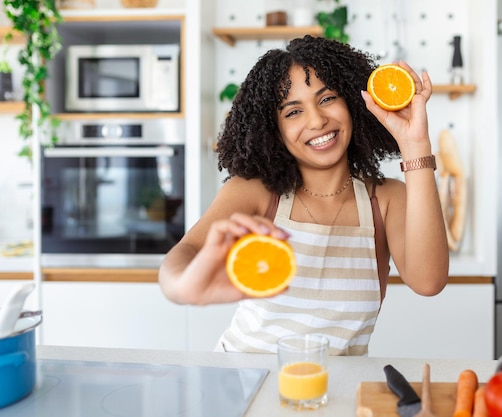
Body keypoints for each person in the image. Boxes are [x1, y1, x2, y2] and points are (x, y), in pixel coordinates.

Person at [158, 35, 449, 355]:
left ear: (352, 103)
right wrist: (185, 286)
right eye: (293, 112)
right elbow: (179, 260)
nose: (317, 120)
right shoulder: (256, 193)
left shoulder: (386, 200)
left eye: (326, 99)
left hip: (335, 395)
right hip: (244, 384)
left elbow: (428, 281)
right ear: (274, 129)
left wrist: (415, 144)